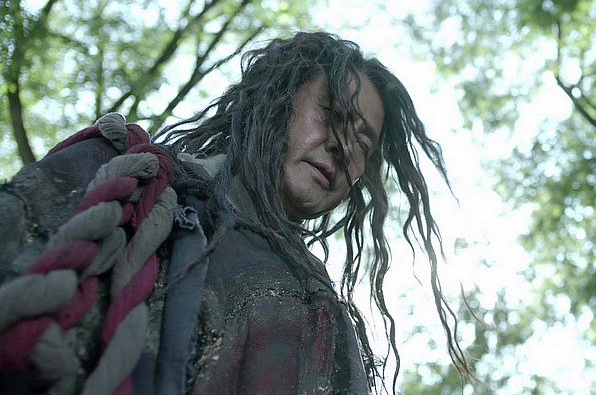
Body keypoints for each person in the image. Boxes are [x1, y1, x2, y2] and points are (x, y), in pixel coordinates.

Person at [0, 32, 470, 394]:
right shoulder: (121, 173)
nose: (344, 146)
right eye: (331, 113)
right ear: (276, 100)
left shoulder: (323, 319)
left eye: (363, 141)